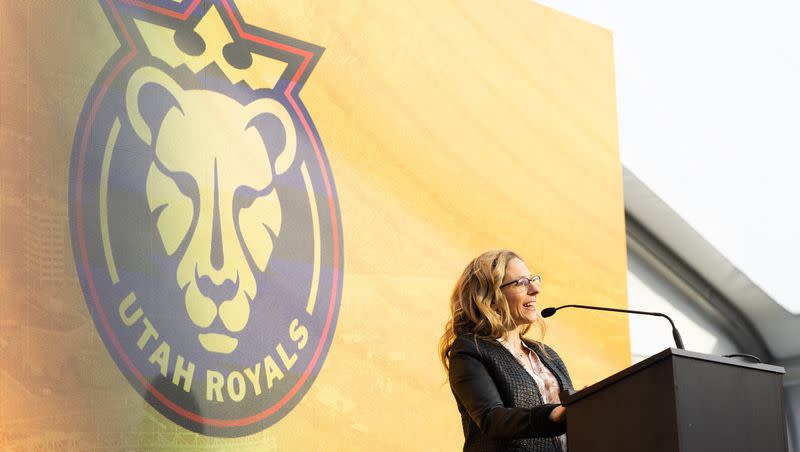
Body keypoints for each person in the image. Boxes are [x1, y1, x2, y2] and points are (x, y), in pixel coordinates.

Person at [439, 249, 572, 452]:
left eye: (532, 279)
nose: (535, 289)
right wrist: (552, 415)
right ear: (489, 296)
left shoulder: (547, 355)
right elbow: (492, 419)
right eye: (521, 283)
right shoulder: (470, 350)